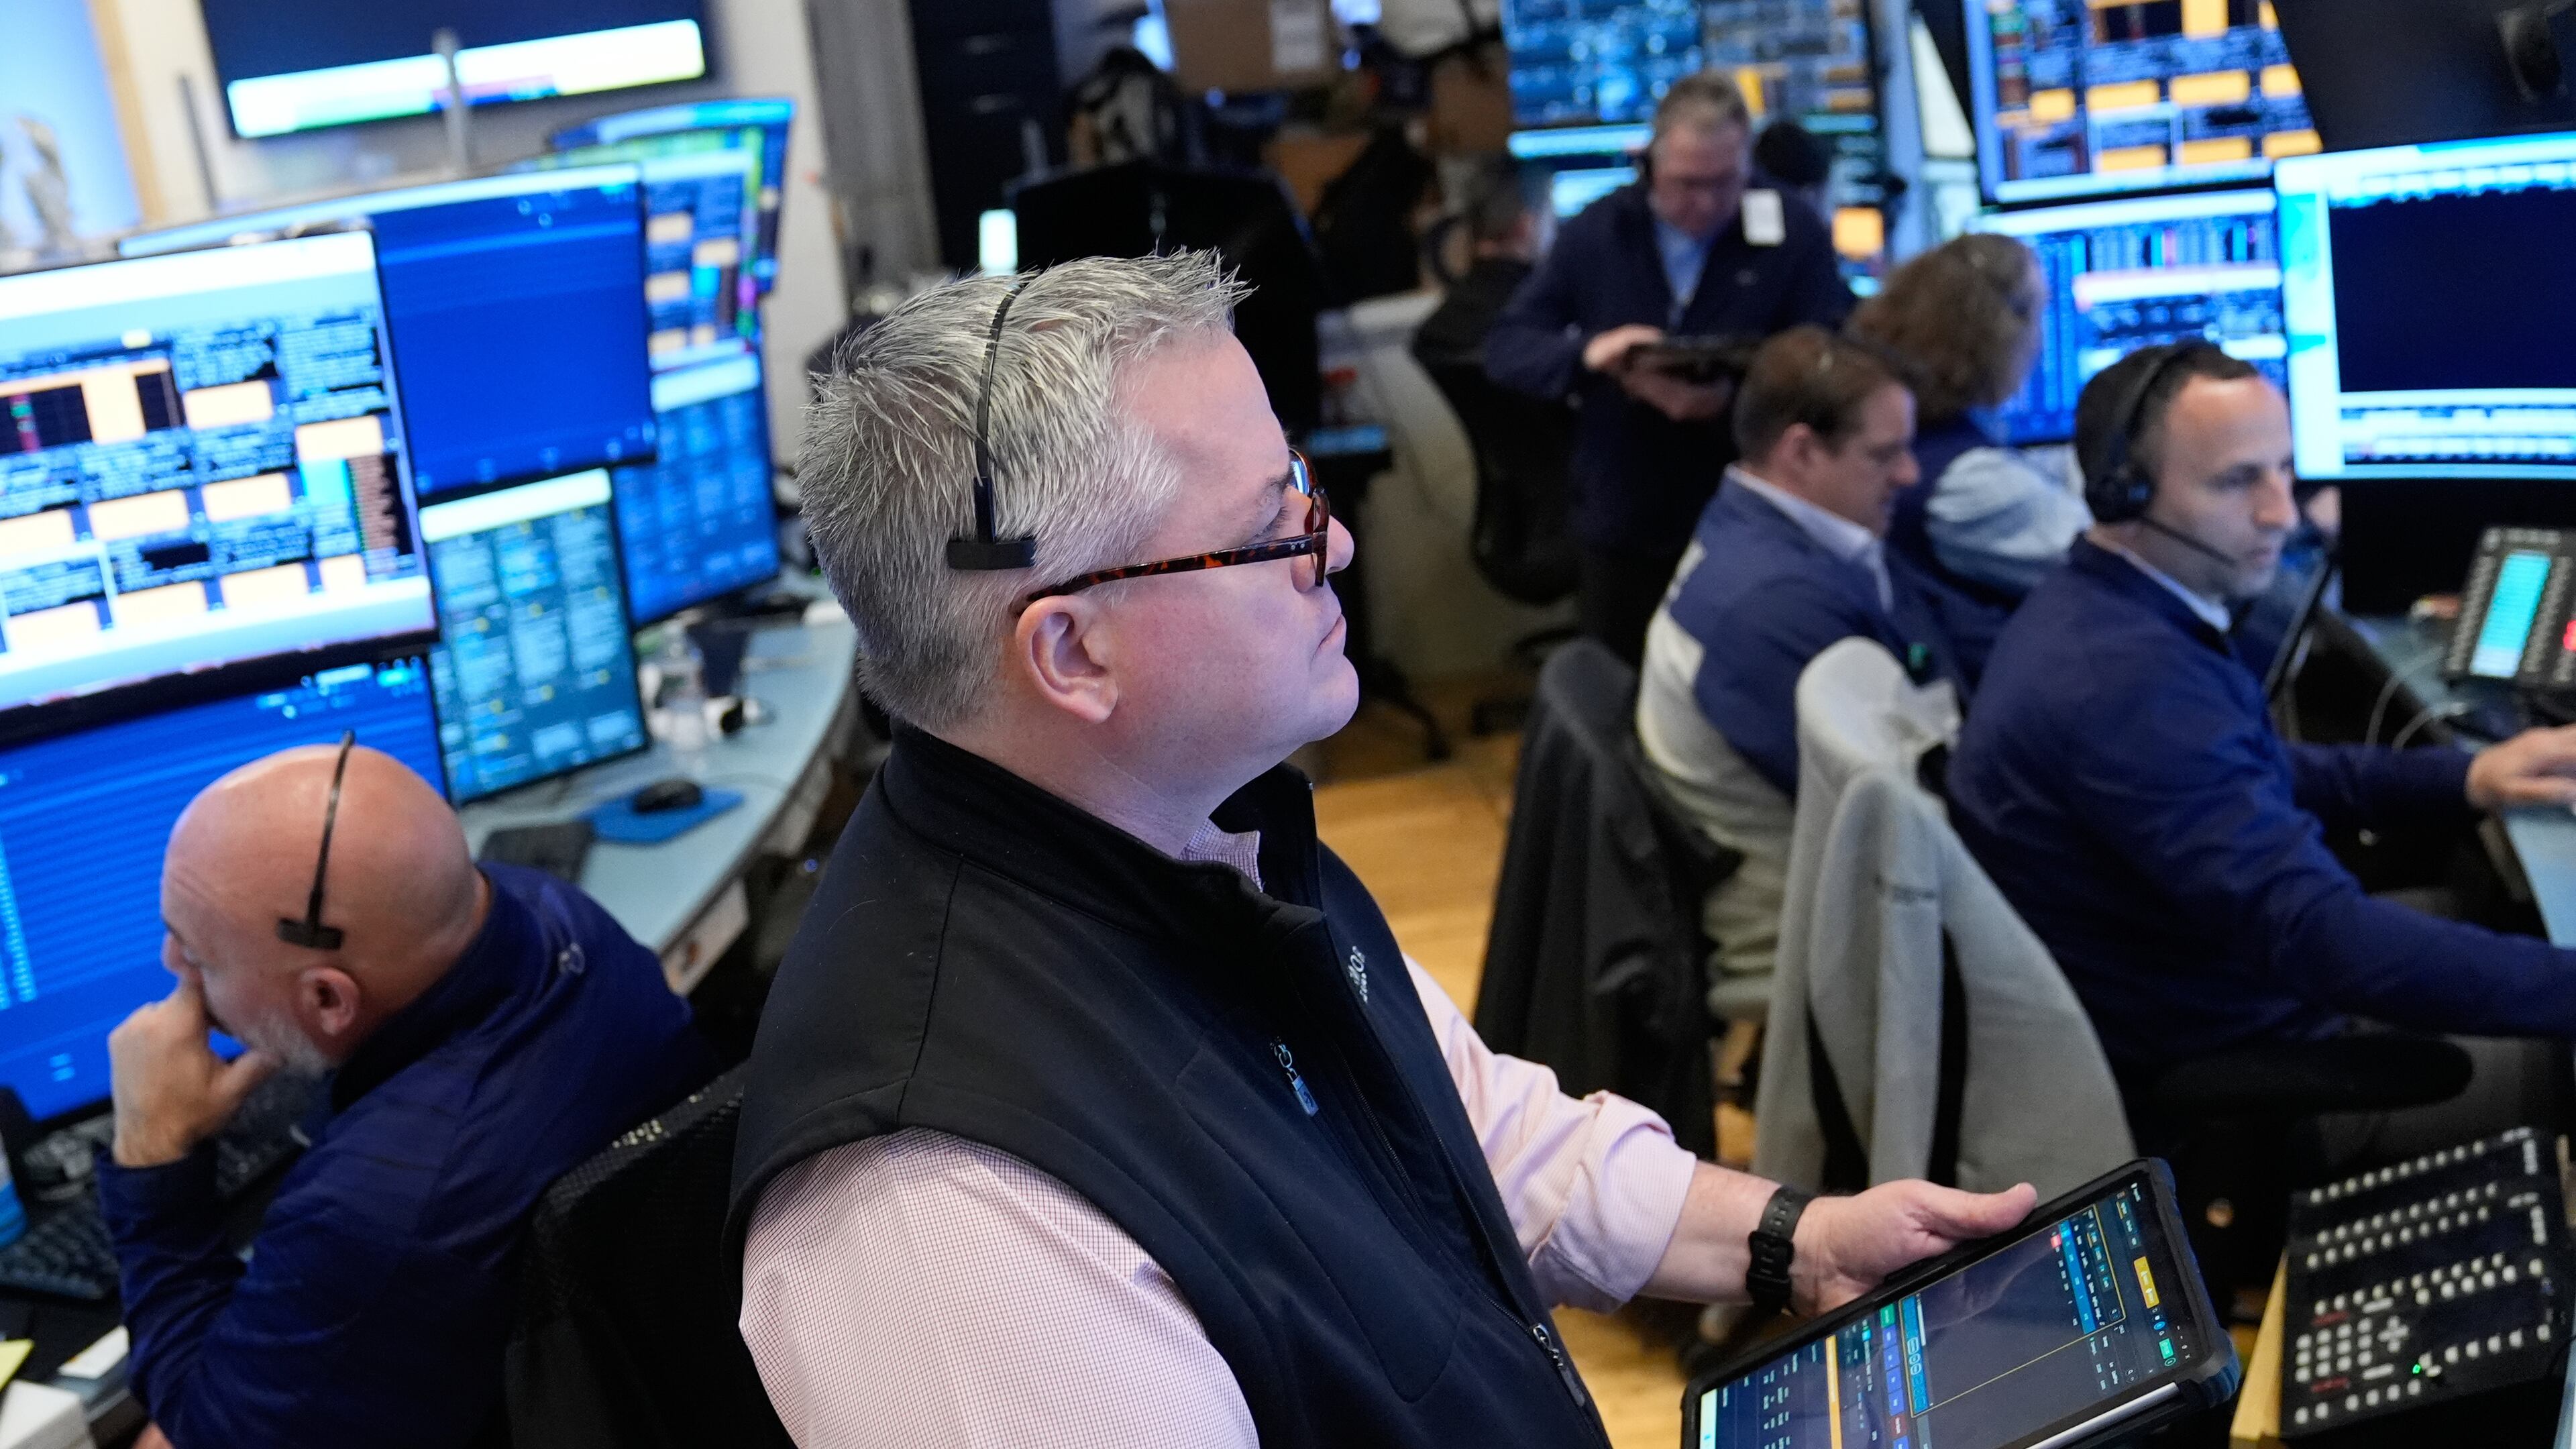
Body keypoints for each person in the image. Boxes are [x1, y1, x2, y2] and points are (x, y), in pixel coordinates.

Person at [729, 254, 2033, 1448]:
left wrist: (1798, 1240)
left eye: (1302, 480)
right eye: (1270, 522)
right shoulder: (950, 1212)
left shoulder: (1198, 827)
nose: (1337, 542)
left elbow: (1458, 1132)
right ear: (1072, 651)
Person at [1948, 343, 2576, 1146]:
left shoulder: (2104, 613)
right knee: (2558, 1057)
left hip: (2203, 983)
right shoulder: (2128, 685)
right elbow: (2323, 941)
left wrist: (2469, 776)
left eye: (2284, 470)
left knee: (2483, 917)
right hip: (2235, 1058)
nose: (2282, 512)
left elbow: (2260, 767)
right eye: (2238, 481)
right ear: (2122, 493)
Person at [101, 743, 713, 1449]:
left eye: (197, 956)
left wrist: (153, 1154)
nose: (171, 966)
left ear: (328, 1000)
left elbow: (210, 1436)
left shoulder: (375, 1213)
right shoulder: (548, 909)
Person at [1485, 71, 1855, 665]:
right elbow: (1508, 348)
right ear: (1650, 161)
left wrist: (1736, 396)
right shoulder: (1600, 231)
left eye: (1725, 182)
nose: (1706, 203)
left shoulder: (1793, 230)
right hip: (1628, 511)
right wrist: (1595, 355)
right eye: (1687, 184)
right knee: (1619, 693)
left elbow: (1829, 361)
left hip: (1755, 512)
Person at [1635, 327, 1965, 982]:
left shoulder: (1790, 535)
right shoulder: (1770, 607)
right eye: (1884, 455)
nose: (1910, 473)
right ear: (1802, 452)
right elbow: (1901, 820)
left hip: (1868, 887)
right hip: (1829, 941)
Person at [1845, 233, 2091, 676]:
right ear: (2002, 336)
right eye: (2038, 315)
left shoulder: (1921, 433)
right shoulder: (1967, 483)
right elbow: (2120, 565)